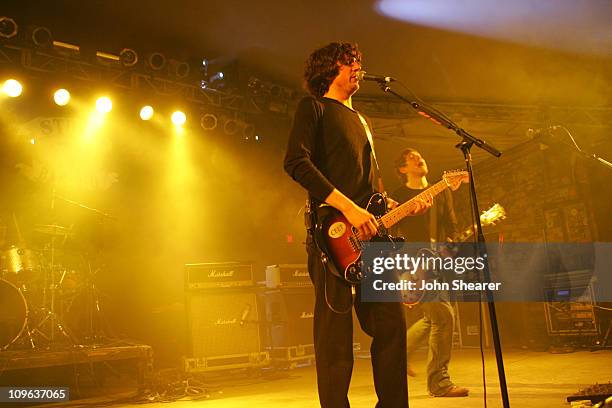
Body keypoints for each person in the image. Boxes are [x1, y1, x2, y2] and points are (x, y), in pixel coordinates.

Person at [284, 42, 429, 408]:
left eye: (359, 62)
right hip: (332, 235)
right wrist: (349, 210)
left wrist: (392, 207)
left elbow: (368, 187)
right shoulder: (314, 107)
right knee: (335, 336)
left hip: (372, 234)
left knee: (391, 327)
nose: (358, 67)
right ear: (329, 67)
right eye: (350, 61)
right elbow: (296, 163)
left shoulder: (362, 120)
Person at [392, 148, 470, 398]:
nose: (419, 158)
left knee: (433, 318)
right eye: (412, 157)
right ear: (403, 169)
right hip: (412, 263)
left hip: (438, 263)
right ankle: (439, 384)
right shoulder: (399, 195)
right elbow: (392, 233)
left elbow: (451, 225)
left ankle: (399, 354)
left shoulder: (442, 192)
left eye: (419, 155)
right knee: (443, 317)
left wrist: (452, 249)